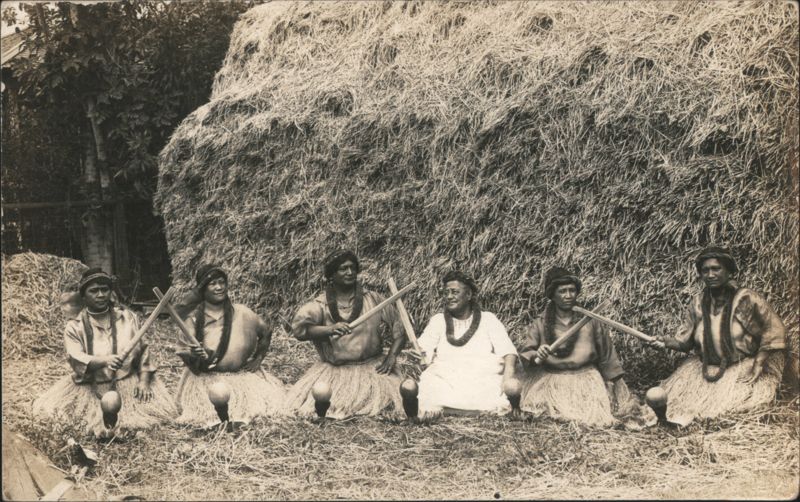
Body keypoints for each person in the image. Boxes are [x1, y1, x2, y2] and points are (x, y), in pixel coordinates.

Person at [650, 246, 787, 425]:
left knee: (728, 410)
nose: (710, 274)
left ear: (729, 271)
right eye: (705, 270)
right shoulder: (698, 303)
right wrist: (665, 342)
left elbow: (774, 330)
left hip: (738, 367)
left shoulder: (746, 299)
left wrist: (759, 364)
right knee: (677, 404)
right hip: (705, 368)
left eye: (716, 269)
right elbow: (685, 343)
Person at [33, 269, 175, 437]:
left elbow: (143, 352)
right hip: (91, 385)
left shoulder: (128, 318)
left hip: (126, 380)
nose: (100, 295)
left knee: (142, 422)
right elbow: (76, 358)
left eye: (105, 289)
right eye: (94, 291)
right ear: (84, 296)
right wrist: (105, 360)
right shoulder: (74, 327)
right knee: (78, 423)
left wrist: (144, 381)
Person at [286, 249, 405, 418]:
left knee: (390, 406)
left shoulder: (373, 299)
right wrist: (329, 329)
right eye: (343, 269)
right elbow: (300, 331)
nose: (350, 272)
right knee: (329, 406)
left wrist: (392, 355)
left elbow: (399, 328)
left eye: (352, 268)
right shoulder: (320, 305)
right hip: (335, 372)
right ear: (331, 275)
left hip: (373, 369)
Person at [518, 267, 642, 427]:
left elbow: (607, 354)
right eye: (562, 291)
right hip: (553, 381)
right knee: (547, 415)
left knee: (591, 419)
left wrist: (615, 385)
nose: (568, 296)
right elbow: (527, 353)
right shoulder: (540, 323)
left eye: (572, 290)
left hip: (587, 380)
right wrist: (537, 354)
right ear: (552, 295)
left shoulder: (592, 321)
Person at [174, 264, 286, 426]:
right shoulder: (193, 319)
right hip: (207, 380)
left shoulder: (242, 312)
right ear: (202, 289)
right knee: (209, 416)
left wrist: (259, 357)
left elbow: (266, 331)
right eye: (213, 284)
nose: (219, 287)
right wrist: (195, 356)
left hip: (241, 377)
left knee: (262, 412)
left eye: (222, 282)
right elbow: (185, 354)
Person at [416, 271, 519, 419]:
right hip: (445, 378)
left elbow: (508, 351)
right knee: (430, 384)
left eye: (455, 292)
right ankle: (462, 409)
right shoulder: (438, 321)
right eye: (446, 293)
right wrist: (418, 353)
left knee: (495, 391)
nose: (449, 296)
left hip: (481, 378)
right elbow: (423, 350)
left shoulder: (488, 319)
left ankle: (453, 409)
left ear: (469, 295)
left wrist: (507, 378)